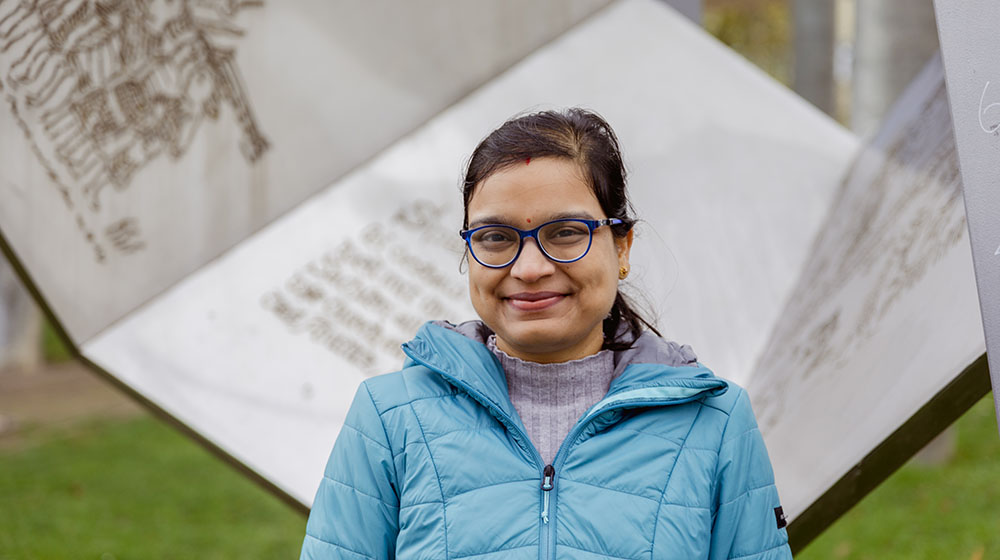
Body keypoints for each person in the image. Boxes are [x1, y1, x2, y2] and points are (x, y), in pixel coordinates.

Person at [300, 108, 792, 559]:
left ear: (622, 247)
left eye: (566, 232)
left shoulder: (715, 423)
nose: (530, 268)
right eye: (496, 237)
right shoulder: (390, 418)